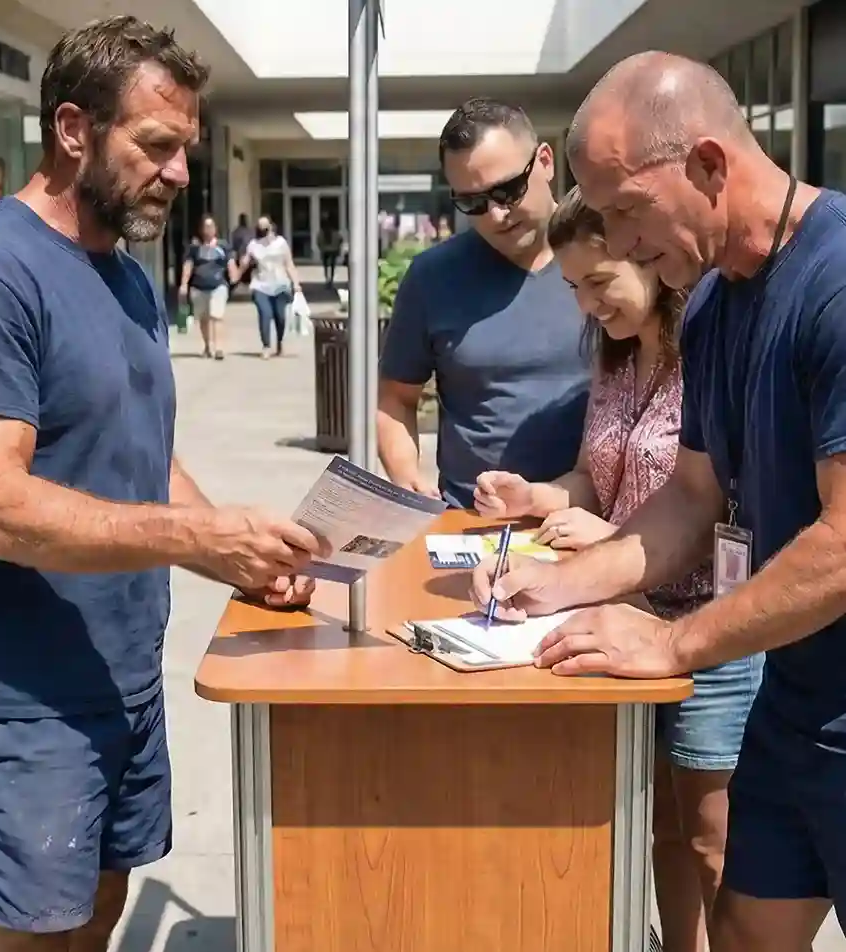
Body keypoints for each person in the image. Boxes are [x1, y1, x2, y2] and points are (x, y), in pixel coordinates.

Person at [0, 16, 325, 951]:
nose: (178, 172)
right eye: (157, 146)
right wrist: (196, 541)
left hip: (122, 675)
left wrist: (239, 558)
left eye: (186, 150)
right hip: (15, 706)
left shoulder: (125, 277)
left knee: (95, 920)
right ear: (73, 129)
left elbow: (145, 453)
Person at [470, 51, 846, 950]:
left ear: (710, 166)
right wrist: (563, 587)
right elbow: (690, 496)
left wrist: (673, 641)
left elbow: (842, 547)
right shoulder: (714, 304)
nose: (625, 245)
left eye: (630, 213)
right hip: (796, 703)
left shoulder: (835, 284)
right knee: (742, 931)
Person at [475, 185, 762, 952]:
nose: (587, 306)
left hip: (707, 625)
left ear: (645, 256)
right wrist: (536, 496)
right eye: (572, 289)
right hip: (619, 617)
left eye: (598, 283)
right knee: (663, 824)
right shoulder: (616, 360)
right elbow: (590, 476)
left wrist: (609, 536)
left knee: (713, 836)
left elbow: (717, 507)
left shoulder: (711, 356)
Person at [377, 98, 591, 508]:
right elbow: (395, 399)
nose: (495, 215)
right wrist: (408, 482)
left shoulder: (612, 257)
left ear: (545, 161)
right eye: (472, 202)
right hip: (473, 525)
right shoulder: (432, 277)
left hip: (591, 521)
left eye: (508, 190)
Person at [241, 215, 301, 359]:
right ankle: (266, 346)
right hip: (260, 285)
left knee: (280, 316)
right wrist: (239, 269)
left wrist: (296, 283)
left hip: (280, 284)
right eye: (260, 229)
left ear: (272, 227)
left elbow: (289, 264)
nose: (263, 232)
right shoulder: (253, 244)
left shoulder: (281, 243)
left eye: (265, 228)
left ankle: (279, 342)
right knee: (265, 313)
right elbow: (244, 263)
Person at [179, 214, 237, 359]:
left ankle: (219, 348)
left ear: (215, 229)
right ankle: (207, 346)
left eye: (211, 226)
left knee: (217, 316)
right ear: (201, 229)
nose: (208, 230)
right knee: (204, 319)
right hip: (198, 287)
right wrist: (184, 285)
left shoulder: (223, 246)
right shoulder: (194, 248)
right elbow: (188, 265)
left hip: (218, 286)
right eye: (206, 227)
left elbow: (230, 262)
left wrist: (234, 274)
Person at [317, 218, 342, 287]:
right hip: (333, 250)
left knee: (325, 265)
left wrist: (321, 247)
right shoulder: (335, 232)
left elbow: (318, 241)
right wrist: (337, 247)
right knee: (332, 266)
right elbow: (340, 240)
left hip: (325, 250)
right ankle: (331, 278)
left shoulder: (321, 233)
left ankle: (327, 278)